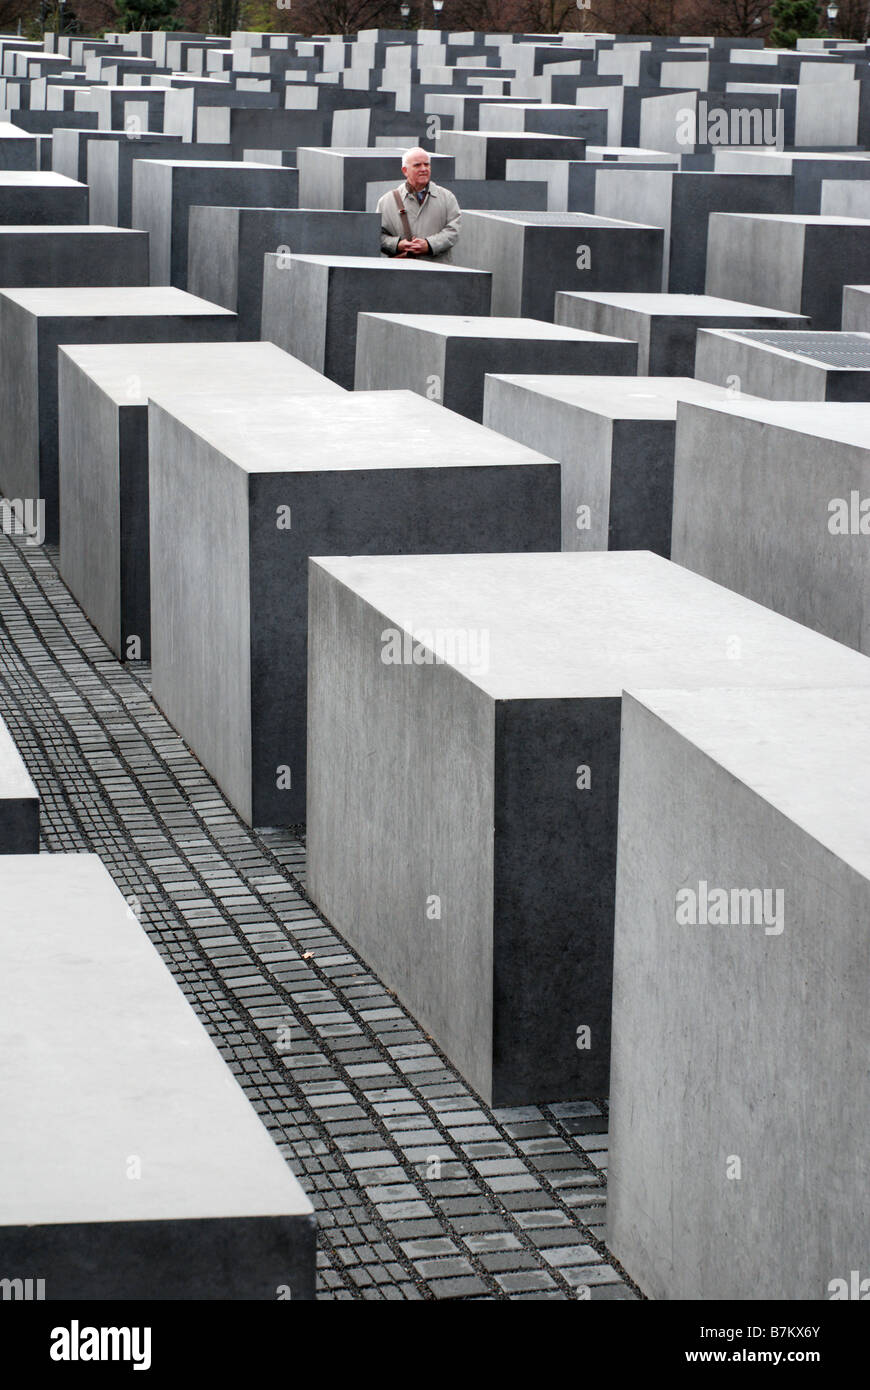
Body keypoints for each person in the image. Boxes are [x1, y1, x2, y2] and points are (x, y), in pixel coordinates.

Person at [378, 147, 461, 263]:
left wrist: (429, 245)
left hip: (438, 271)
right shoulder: (386, 201)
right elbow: (378, 235)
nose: (423, 169)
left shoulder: (447, 197)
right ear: (405, 170)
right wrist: (398, 245)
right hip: (401, 271)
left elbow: (453, 231)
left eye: (426, 165)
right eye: (417, 165)